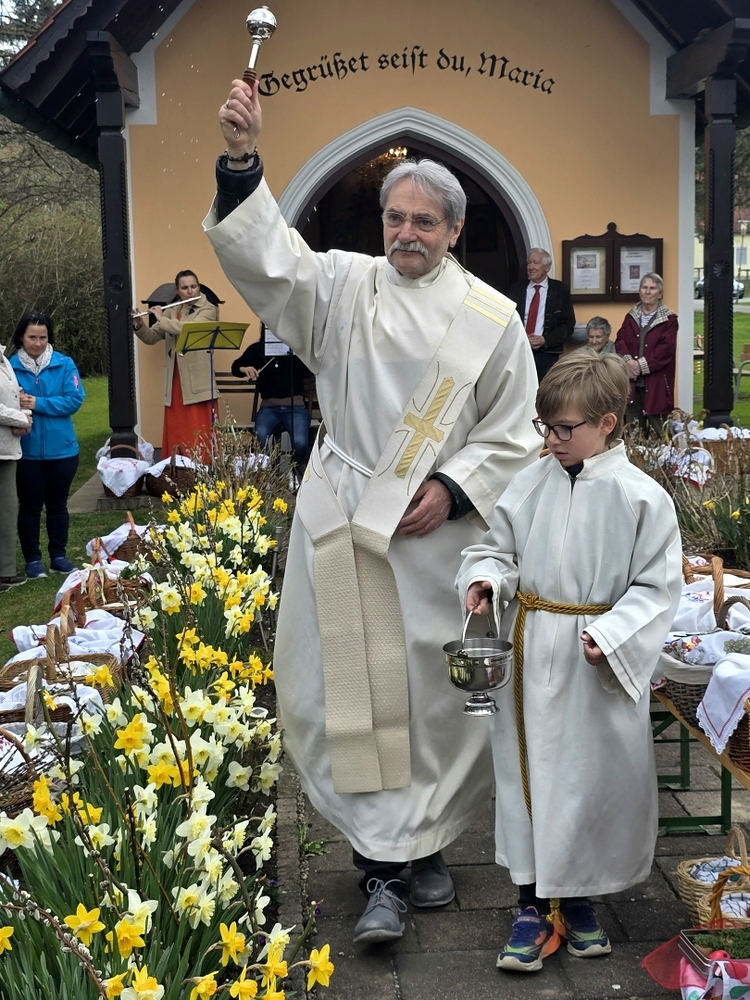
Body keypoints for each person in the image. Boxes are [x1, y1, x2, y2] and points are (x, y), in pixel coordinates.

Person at [206, 77, 540, 944]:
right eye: (396, 218)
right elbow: (268, 261)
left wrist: (454, 488)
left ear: (454, 230)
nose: (407, 234)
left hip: (438, 542)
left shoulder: (493, 319)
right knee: (352, 691)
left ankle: (425, 847)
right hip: (348, 523)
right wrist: (242, 162)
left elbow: (515, 431)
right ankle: (379, 869)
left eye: (424, 221)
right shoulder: (344, 288)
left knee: (432, 704)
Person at [457, 351, 681, 973]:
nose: (551, 440)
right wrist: (487, 580)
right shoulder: (531, 482)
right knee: (527, 776)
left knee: (586, 781)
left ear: (607, 424)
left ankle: (578, 900)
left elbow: (657, 588)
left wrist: (612, 634)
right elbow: (495, 549)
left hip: (593, 662)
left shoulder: (642, 499)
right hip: (531, 651)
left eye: (564, 428)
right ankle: (530, 904)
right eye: (546, 427)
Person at [10, 312, 85, 579]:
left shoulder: (64, 364)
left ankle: (58, 557)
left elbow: (74, 400)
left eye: (43, 337)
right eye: (32, 337)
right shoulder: (9, 368)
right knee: (29, 507)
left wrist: (37, 403)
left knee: (57, 505)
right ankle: (32, 561)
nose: (38, 343)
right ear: (21, 337)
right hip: (26, 451)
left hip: (62, 450)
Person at [132, 270, 219, 457]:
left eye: (193, 286)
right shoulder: (172, 310)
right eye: (185, 288)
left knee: (198, 429)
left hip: (197, 380)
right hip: (175, 379)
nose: (190, 291)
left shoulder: (208, 309)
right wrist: (139, 324)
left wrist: (161, 319)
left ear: (199, 287)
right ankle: (178, 467)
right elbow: (152, 337)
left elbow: (189, 329)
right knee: (178, 427)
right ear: (178, 291)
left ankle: (202, 467)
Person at [231, 336, 312, 470]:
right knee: (260, 436)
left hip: (296, 408)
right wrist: (244, 369)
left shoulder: (296, 349)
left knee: (300, 443)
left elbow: (310, 372)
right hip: (269, 409)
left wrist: (298, 352)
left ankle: (293, 471)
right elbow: (235, 367)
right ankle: (265, 472)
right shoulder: (257, 349)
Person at [614, 272, 678, 436]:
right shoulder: (631, 316)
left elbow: (666, 350)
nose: (647, 292)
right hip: (632, 384)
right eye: (644, 287)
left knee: (661, 433)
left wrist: (639, 366)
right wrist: (628, 362)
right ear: (639, 291)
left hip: (657, 384)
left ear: (660, 293)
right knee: (633, 432)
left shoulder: (669, 320)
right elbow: (620, 340)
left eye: (652, 288)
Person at [507, 249, 576, 380]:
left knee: (544, 389)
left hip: (547, 353)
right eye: (529, 263)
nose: (531, 267)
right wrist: (523, 339)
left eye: (536, 263)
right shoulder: (516, 290)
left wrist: (545, 340)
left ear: (547, 267)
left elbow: (568, 324)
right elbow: (506, 320)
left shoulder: (559, 290)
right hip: (519, 350)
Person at [0, 341, 32, 591]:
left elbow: (15, 395)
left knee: (8, 510)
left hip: (7, 448)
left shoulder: (3, 358)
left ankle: (6, 570)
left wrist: (26, 415)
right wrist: (21, 418)